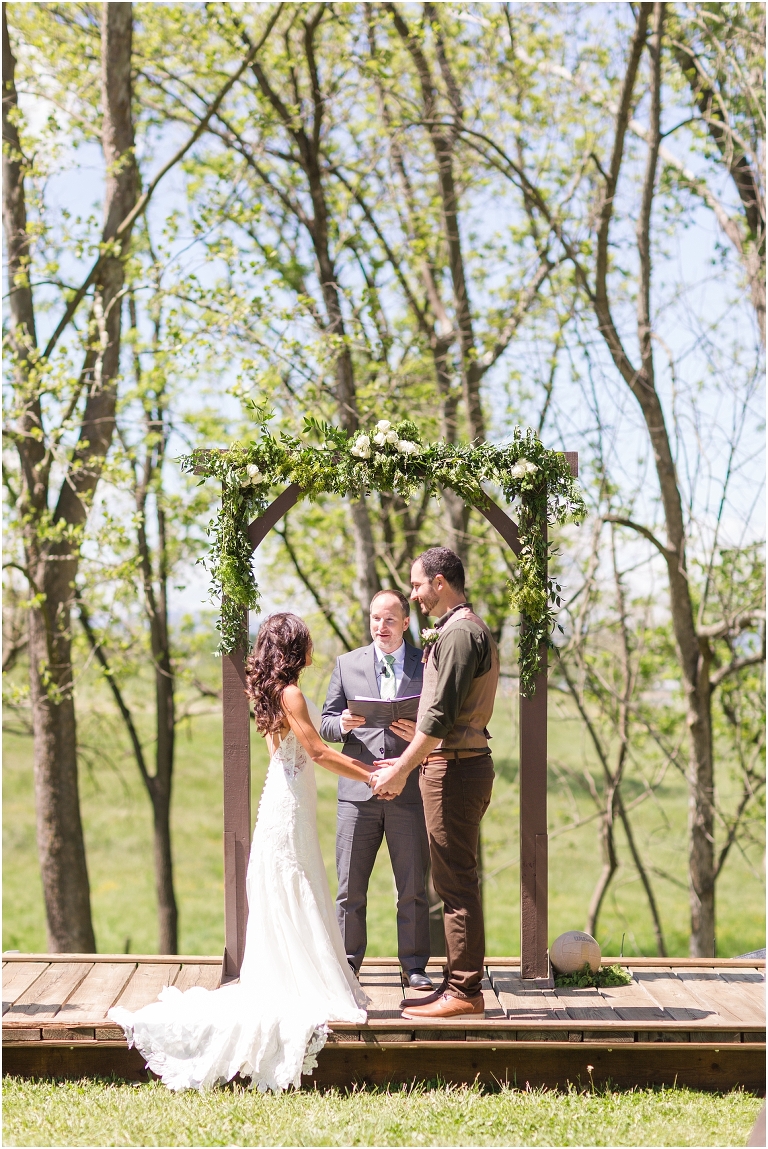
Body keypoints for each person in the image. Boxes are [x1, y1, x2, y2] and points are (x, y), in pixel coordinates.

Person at [110, 613, 375, 1092]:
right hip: (290, 801)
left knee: (290, 883)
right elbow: (316, 752)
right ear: (296, 649)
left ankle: (291, 972)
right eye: (307, 642)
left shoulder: (270, 692)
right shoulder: (291, 694)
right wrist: (371, 774)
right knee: (297, 881)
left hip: (281, 794)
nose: (313, 649)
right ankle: (304, 980)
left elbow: (288, 750)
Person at [373, 548, 499, 1020]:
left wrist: (401, 769)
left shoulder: (462, 633)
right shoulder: (456, 629)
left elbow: (442, 718)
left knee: (456, 882)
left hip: (457, 769)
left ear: (440, 582)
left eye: (417, 585)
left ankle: (464, 991)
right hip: (450, 764)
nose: (414, 595)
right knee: (450, 879)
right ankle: (455, 984)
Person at [321, 589, 433, 991]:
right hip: (357, 794)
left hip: (409, 791)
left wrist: (419, 731)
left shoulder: (427, 662)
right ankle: (347, 966)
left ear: (405, 622)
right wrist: (342, 724)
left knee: (413, 888)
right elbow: (325, 723)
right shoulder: (346, 664)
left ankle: (415, 967)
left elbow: (440, 720)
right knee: (349, 889)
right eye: (375, 618)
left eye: (389, 619)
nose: (380, 626)